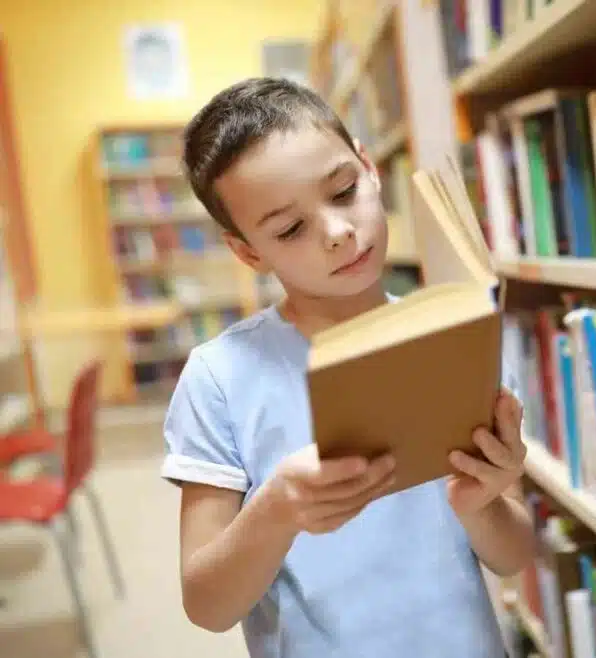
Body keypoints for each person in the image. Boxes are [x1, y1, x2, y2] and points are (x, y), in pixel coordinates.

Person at [161, 77, 535, 657]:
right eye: (290, 229)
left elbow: (513, 557)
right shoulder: (220, 376)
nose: (338, 233)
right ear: (248, 252)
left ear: (368, 165)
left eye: (343, 191)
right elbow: (206, 606)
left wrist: (480, 503)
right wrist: (277, 511)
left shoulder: (453, 336)